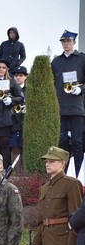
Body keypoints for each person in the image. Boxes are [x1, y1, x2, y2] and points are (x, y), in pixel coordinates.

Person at [52, 30, 85, 175]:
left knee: (78, 142)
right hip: (60, 107)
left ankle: (78, 173)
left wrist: (81, 89)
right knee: (62, 141)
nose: (66, 44)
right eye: (63, 42)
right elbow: (51, 83)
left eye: (68, 41)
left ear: (74, 42)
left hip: (77, 107)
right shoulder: (56, 61)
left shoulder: (82, 59)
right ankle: (62, 173)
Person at [10, 66, 28, 174]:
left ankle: (26, 176)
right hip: (14, 122)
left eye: (21, 75)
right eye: (16, 75)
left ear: (26, 77)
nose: (18, 77)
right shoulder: (11, 90)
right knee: (15, 149)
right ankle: (17, 175)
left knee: (25, 149)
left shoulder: (29, 90)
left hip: (25, 121)